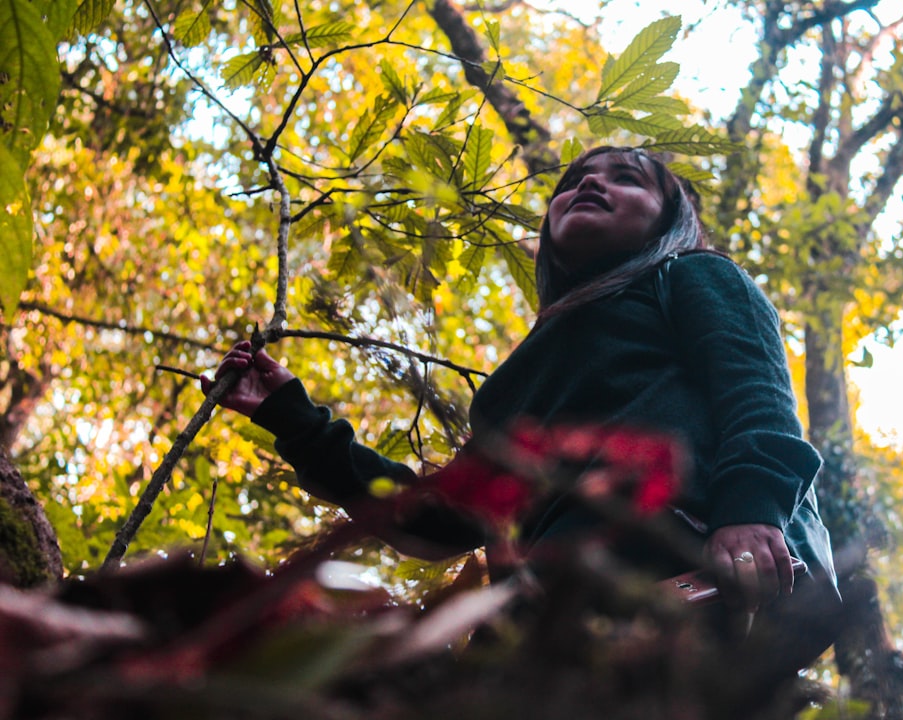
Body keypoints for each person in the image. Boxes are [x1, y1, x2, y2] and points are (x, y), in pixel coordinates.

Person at [203, 146, 841, 686]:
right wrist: (295, 419)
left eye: (627, 178)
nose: (591, 182)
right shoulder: (516, 384)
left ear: (671, 220)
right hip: (542, 618)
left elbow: (755, 390)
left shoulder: (692, 276)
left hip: (682, 568)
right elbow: (438, 520)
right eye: (573, 183)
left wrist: (751, 511)